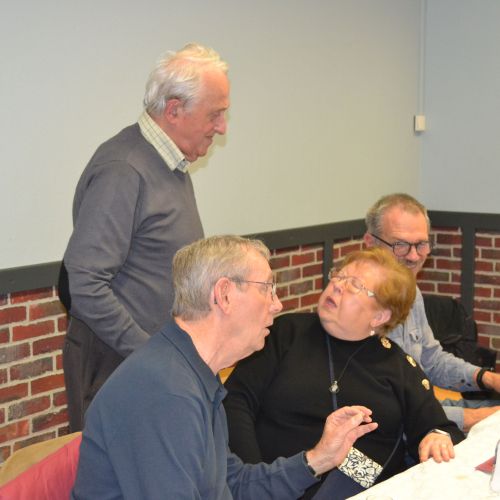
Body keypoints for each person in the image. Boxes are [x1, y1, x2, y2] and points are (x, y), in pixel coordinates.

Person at [71, 235, 378, 500]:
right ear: (225, 294)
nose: (277, 304)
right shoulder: (165, 391)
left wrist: (319, 459)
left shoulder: (194, 373)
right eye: (267, 288)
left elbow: (233, 484)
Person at [60, 43, 230, 431]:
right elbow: (84, 282)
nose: (222, 127)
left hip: (151, 363)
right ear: (174, 110)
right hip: (118, 367)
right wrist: (150, 354)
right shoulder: (124, 168)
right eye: (215, 114)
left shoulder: (170, 164)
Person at [224, 247, 464, 499]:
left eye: (355, 285)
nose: (337, 285)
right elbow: (235, 402)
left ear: (379, 316)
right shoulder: (285, 333)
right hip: (275, 484)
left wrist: (436, 437)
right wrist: (255, 478)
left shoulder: (397, 365)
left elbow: (439, 427)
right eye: (339, 276)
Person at [364, 193, 500, 432]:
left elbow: (432, 360)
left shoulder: (411, 291)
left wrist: (486, 378)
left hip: (426, 407)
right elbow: (387, 407)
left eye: (421, 244)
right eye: (400, 245)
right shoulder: (357, 306)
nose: (414, 256)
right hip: (392, 431)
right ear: (371, 242)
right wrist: (473, 417)